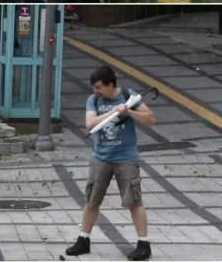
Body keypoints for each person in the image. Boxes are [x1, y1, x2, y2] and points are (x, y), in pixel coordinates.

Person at [66, 65, 157, 261]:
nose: (95, 91)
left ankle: (143, 244)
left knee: (134, 201)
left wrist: (129, 112)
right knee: (91, 201)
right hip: (101, 157)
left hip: (126, 158)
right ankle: (84, 239)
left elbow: (150, 119)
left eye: (98, 87)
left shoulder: (128, 96)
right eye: (94, 87)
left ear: (110, 85)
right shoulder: (94, 100)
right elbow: (90, 124)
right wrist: (113, 112)